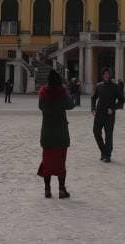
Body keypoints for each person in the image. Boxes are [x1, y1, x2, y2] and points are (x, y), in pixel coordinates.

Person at [37, 69, 74, 199]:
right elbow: (71, 105)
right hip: (60, 134)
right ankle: (62, 190)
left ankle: (47, 190)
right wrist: (67, 92)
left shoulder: (43, 93)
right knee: (60, 163)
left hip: (47, 133)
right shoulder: (62, 93)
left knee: (47, 162)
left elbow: (40, 106)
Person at [91, 67, 124, 162]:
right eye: (104, 74)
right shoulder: (99, 86)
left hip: (109, 115)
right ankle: (103, 151)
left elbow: (122, 100)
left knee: (108, 135)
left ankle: (107, 155)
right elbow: (93, 98)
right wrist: (93, 109)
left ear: (110, 75)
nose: (106, 75)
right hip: (99, 114)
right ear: (102, 75)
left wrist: (113, 108)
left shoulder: (115, 86)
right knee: (96, 132)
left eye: (108, 74)